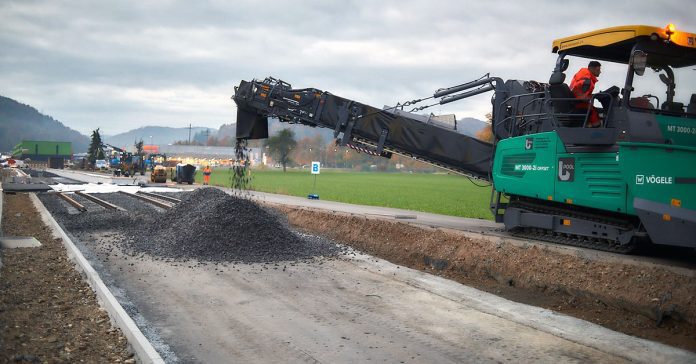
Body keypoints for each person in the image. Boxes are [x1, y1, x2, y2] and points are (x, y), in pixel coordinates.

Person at [569, 60, 602, 127]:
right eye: (598, 69)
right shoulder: (586, 80)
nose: (600, 72)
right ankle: (596, 129)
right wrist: (590, 97)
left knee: (593, 109)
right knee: (593, 111)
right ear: (591, 69)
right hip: (577, 103)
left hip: (575, 102)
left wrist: (591, 96)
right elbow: (580, 94)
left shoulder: (583, 75)